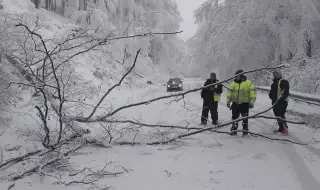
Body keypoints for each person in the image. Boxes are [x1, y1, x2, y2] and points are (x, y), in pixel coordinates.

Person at [226, 69, 256, 136]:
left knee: (245, 118)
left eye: (237, 76)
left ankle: (245, 131)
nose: (236, 77)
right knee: (234, 118)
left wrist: (252, 102)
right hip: (235, 104)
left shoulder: (248, 83)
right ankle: (234, 130)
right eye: (235, 76)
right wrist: (228, 102)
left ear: (241, 75)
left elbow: (253, 93)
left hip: (244, 104)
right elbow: (229, 93)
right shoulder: (233, 83)